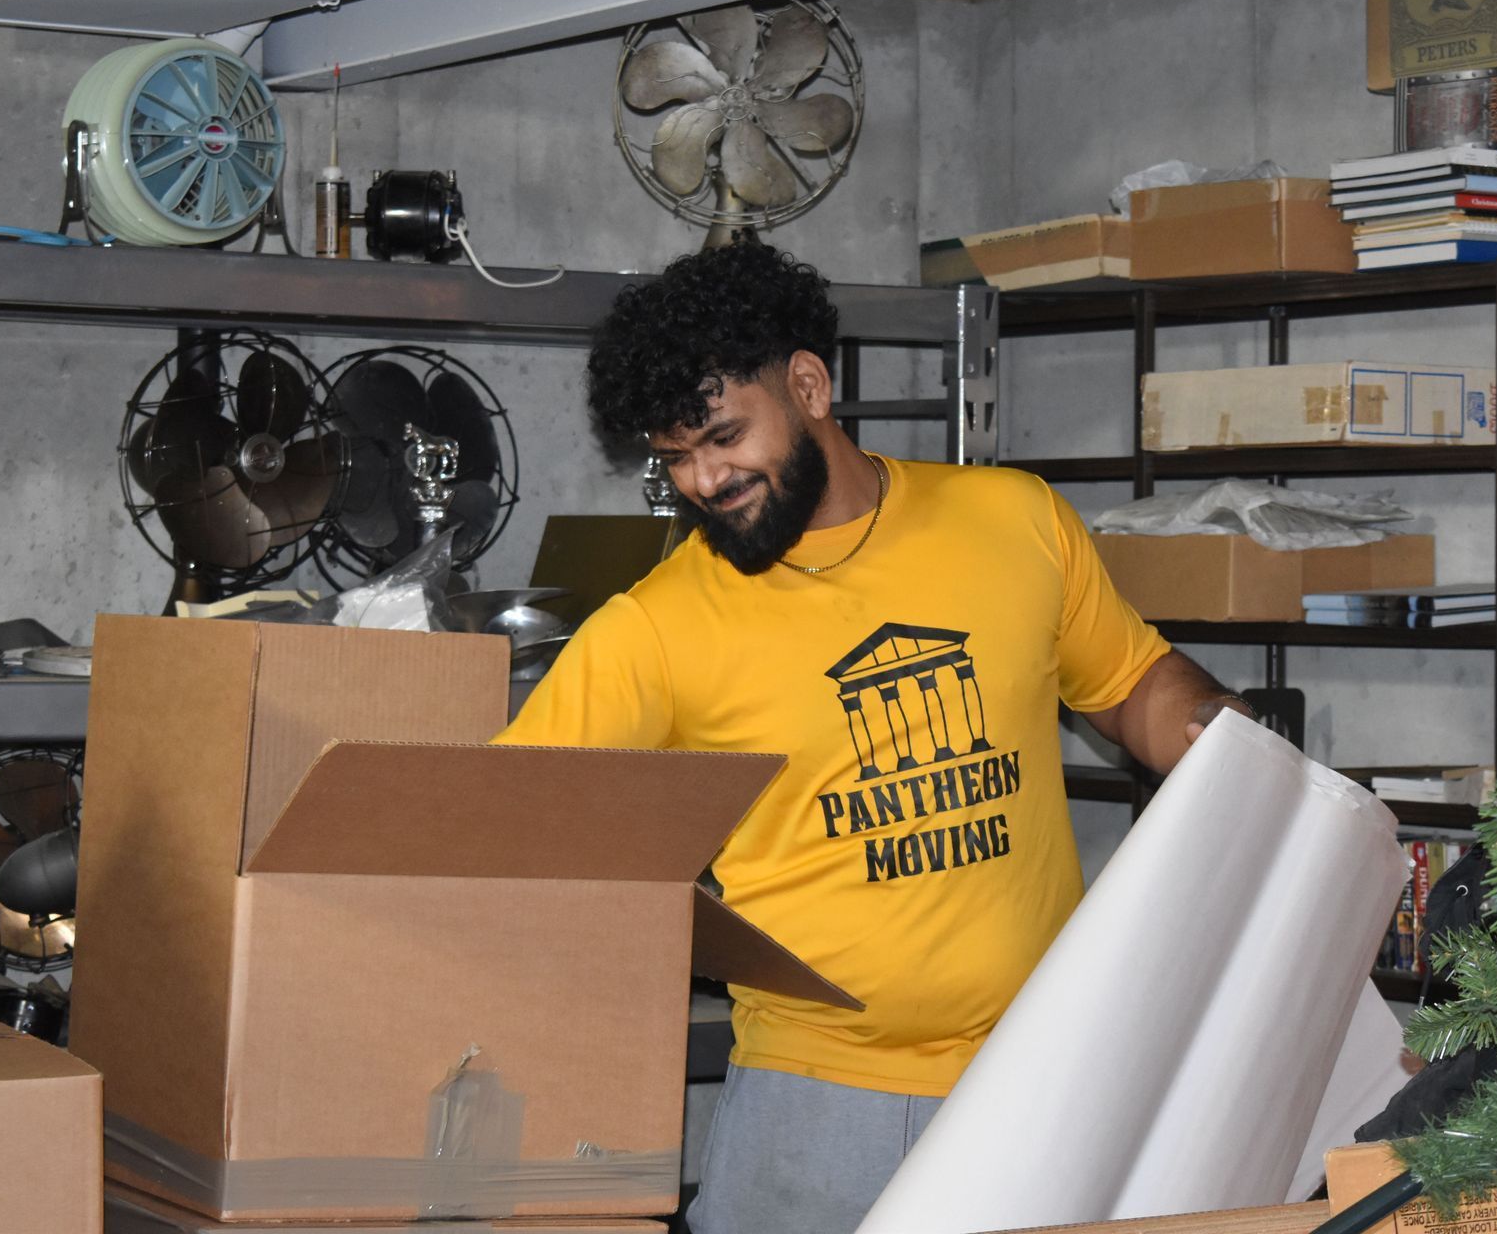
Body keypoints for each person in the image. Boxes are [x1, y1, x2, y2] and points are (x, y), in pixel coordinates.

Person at [494, 241, 1249, 1234]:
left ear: (807, 383)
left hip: (1045, 1075)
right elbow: (506, 831)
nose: (702, 479)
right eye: (674, 455)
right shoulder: (657, 625)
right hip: (818, 1106)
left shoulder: (1010, 519)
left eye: (721, 435)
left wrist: (1238, 757)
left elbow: (1132, 686)